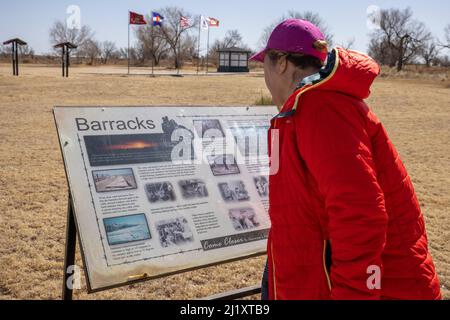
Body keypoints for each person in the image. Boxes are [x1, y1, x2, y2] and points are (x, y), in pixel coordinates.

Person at [251, 19, 441, 300]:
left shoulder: (322, 109)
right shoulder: (309, 108)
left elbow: (361, 215)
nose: (264, 72)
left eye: (265, 61)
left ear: (281, 63)